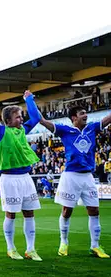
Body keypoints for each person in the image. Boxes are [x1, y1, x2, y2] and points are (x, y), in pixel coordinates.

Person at [38, 106, 110, 258]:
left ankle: (95, 246)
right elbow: (44, 122)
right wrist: (30, 102)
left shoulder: (92, 128)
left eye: (86, 113)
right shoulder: (65, 130)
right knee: (66, 211)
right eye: (82, 113)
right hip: (71, 176)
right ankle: (63, 242)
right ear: (74, 118)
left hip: (88, 176)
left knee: (94, 211)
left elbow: (107, 119)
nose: (86, 115)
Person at [0, 82, 42, 261]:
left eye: (21, 116)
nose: (21, 119)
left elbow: (36, 117)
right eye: (17, 117)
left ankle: (30, 249)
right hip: (9, 178)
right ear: (7, 120)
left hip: (26, 177)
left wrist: (29, 99)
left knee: (29, 212)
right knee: (11, 213)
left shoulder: (22, 130)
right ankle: (11, 248)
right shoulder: (0, 132)